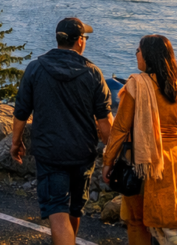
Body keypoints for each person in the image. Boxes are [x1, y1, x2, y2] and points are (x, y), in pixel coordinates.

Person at [12, 18, 113, 245]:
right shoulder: (93, 73)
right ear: (79, 42)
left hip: (50, 154)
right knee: (75, 210)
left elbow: (21, 112)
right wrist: (112, 153)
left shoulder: (36, 68)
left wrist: (15, 142)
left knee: (58, 211)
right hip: (82, 153)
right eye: (84, 38)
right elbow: (105, 122)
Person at [102, 35, 177, 245]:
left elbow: (120, 128)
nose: (136, 55)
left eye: (138, 51)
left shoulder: (136, 86)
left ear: (148, 56)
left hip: (142, 162)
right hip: (174, 163)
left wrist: (108, 162)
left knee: (137, 220)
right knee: (171, 220)